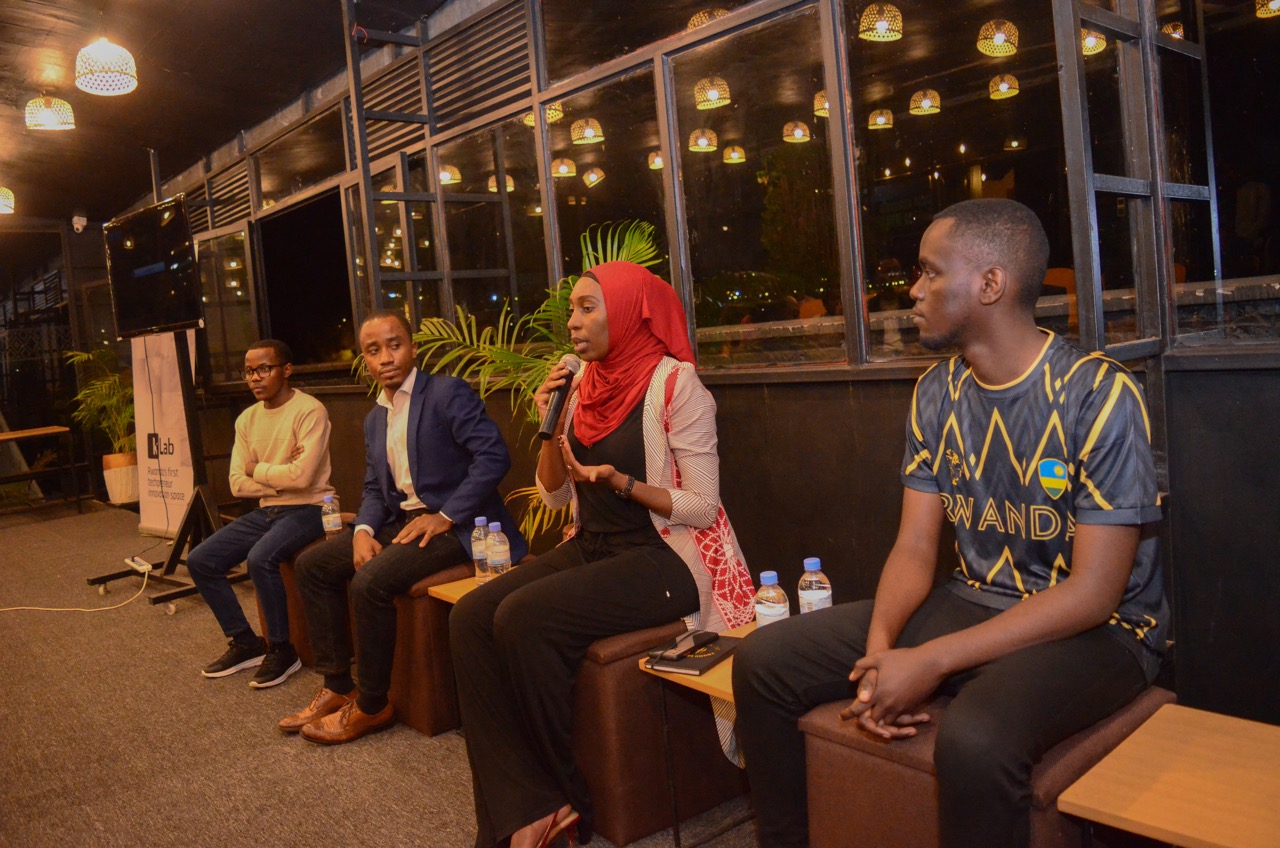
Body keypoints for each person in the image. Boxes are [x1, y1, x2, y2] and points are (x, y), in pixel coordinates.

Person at [732, 199, 1168, 848]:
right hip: (971, 601)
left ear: (991, 285)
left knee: (975, 737)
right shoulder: (936, 392)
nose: (913, 290)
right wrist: (882, 649)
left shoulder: (1098, 395)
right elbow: (914, 548)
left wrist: (930, 660)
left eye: (930, 273)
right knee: (764, 660)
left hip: (1098, 633)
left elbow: (1095, 592)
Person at [450, 261, 756, 848]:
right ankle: (532, 808)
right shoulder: (580, 385)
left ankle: (564, 804)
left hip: (666, 557)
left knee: (523, 618)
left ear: (630, 311)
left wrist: (622, 483)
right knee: (468, 618)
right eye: (572, 309)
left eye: (588, 306)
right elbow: (554, 492)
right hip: (593, 544)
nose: (573, 321)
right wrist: (550, 425)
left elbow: (701, 506)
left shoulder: (675, 384)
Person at [280, 309, 526, 745]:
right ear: (365, 359)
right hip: (402, 522)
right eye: (374, 350)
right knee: (313, 565)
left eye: (394, 345)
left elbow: (493, 458)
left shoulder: (447, 393)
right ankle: (339, 685)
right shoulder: (376, 417)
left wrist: (446, 514)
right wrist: (362, 531)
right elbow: (375, 487)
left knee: (369, 582)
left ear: (412, 347)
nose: (386, 357)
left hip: (459, 527)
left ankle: (374, 705)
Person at [188, 339, 333, 688]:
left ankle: (283, 650)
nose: (255, 378)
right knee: (200, 560)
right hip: (269, 510)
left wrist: (259, 469)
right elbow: (237, 484)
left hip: (311, 507)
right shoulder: (246, 419)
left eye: (264, 369)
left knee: (260, 558)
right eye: (249, 371)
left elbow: (306, 479)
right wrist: (281, 476)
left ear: (286, 370)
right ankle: (247, 643)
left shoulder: (310, 410)